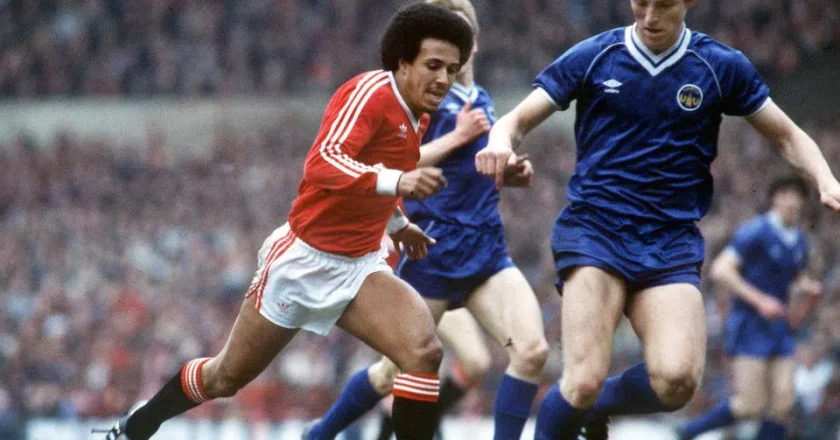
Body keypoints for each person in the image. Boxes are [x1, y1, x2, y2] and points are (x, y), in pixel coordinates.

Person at [97, 4, 474, 440]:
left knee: (422, 351)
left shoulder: (418, 114)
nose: (443, 79)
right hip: (302, 262)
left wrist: (397, 225)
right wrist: (398, 182)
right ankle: (137, 426)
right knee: (224, 378)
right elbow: (323, 162)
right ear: (402, 62)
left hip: (359, 265)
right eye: (433, 65)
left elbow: (370, 176)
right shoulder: (371, 93)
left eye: (452, 69)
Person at [474, 0, 840, 439]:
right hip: (596, 231)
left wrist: (825, 179)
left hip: (670, 241)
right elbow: (515, 120)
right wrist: (499, 142)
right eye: (640, 2)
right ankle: (583, 400)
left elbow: (786, 135)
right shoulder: (595, 55)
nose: (649, 17)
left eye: (663, 4)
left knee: (677, 382)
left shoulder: (719, 66)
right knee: (582, 379)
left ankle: (597, 405)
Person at [303, 1, 549, 439]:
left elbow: (467, 168)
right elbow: (393, 165)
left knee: (531, 351)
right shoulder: (419, 100)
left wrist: (507, 172)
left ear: (473, 44)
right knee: (389, 373)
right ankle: (321, 433)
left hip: (486, 250)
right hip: (432, 252)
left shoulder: (480, 98)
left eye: (458, 37)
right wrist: (459, 136)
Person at [677, 177, 822, 440]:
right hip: (750, 325)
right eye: (786, 194)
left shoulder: (799, 240)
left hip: (779, 327)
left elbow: (794, 276)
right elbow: (721, 270)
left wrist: (807, 286)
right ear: (775, 198)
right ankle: (686, 432)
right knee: (749, 405)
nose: (792, 201)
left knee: (783, 404)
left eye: (797, 196)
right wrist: (760, 300)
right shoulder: (755, 231)